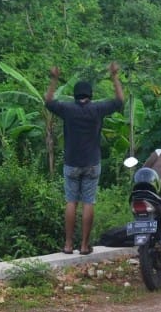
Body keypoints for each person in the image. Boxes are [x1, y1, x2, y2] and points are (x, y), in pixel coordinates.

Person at [45, 62, 124, 255]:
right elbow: (120, 101)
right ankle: (84, 246)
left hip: (71, 163)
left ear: (75, 95)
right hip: (91, 163)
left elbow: (47, 101)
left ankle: (68, 245)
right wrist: (114, 76)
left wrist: (54, 79)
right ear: (90, 96)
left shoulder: (67, 109)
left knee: (71, 201)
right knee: (89, 202)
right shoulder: (97, 109)